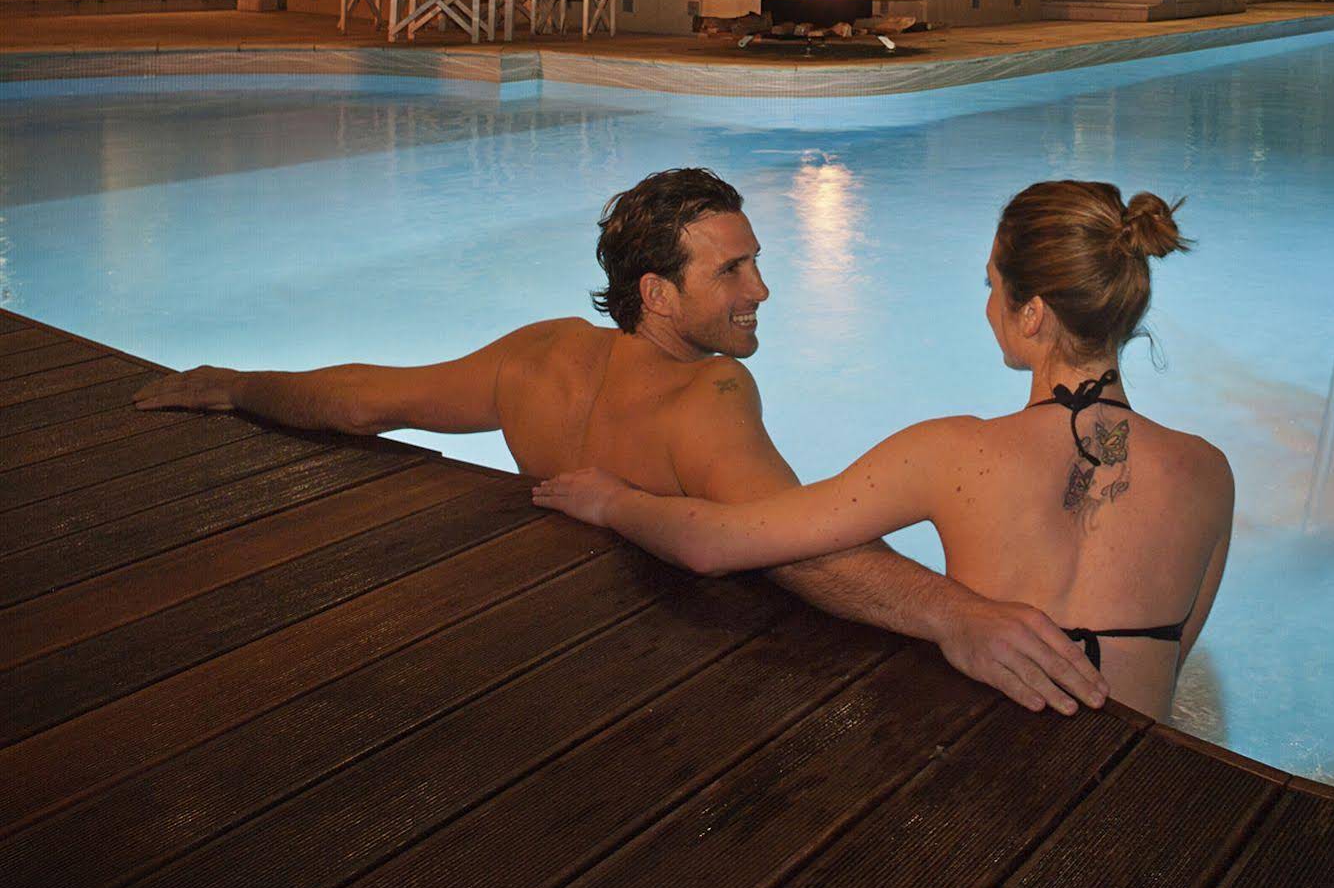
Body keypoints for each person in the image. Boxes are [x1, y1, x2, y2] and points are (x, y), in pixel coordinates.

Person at [132, 168, 1106, 715]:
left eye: (755, 261)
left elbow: (362, 402)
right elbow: (794, 545)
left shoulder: (541, 356)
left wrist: (241, 386)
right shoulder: (707, 395)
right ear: (656, 293)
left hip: (543, 664)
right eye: (731, 272)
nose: (760, 288)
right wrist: (954, 615)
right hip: (667, 686)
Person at [533, 180, 1234, 719]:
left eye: (992, 286)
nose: (987, 306)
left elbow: (714, 543)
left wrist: (614, 501)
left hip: (1002, 783)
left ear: (1032, 314)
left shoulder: (953, 453)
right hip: (1135, 786)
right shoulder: (1208, 473)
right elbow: (1168, 670)